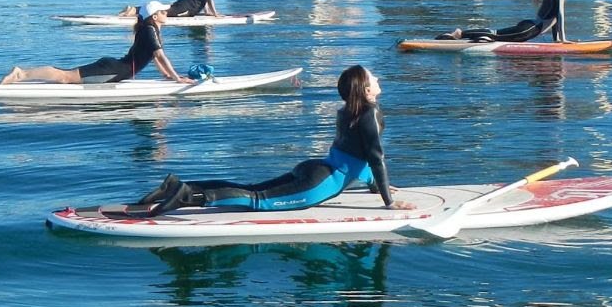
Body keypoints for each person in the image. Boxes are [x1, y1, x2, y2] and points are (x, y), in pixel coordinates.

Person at [134, 65, 415, 216]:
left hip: (316, 168)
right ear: (367, 90)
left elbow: (356, 155)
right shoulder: (371, 113)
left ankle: (177, 185)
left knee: (252, 188)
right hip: (320, 183)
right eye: (372, 77)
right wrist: (388, 202)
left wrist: (374, 185)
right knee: (258, 200)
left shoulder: (348, 112)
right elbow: (374, 157)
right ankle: (187, 196)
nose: (378, 78)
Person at [0, 1, 194, 85]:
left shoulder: (151, 29)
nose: (165, 13)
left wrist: (168, 76)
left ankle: (23, 74)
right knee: (65, 77)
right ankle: (22, 73)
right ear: (153, 15)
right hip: (113, 70)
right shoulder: (150, 30)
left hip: (116, 68)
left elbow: (155, 58)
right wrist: (177, 78)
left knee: (65, 76)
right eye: (162, 11)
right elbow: (160, 56)